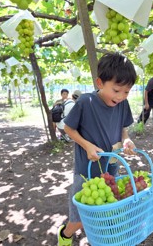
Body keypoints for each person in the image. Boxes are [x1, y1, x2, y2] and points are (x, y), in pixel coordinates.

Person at [57, 53, 137, 246]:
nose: (120, 97)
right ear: (100, 83)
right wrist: (87, 145)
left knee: (107, 208)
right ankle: (65, 236)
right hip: (86, 171)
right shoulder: (86, 102)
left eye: (126, 92)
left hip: (110, 169)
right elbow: (68, 128)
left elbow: (123, 128)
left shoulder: (123, 104)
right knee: (78, 218)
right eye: (117, 90)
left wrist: (126, 140)